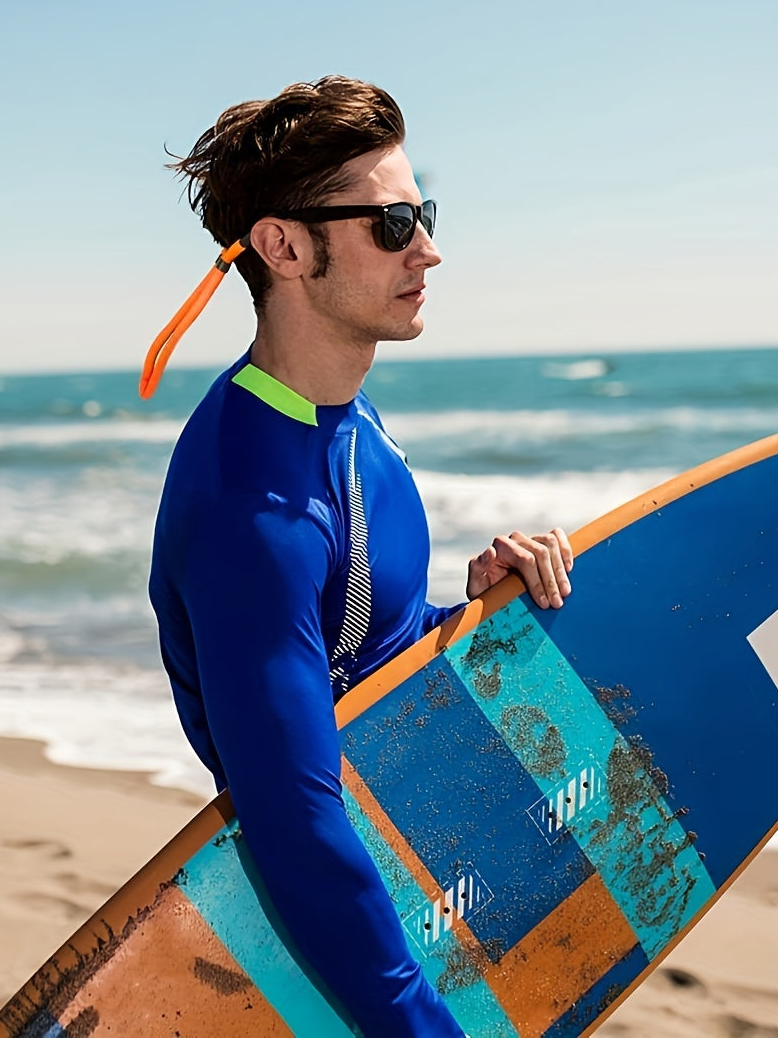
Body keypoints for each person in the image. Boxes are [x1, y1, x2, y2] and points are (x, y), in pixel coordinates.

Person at [146, 76, 573, 1037]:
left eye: (422, 212)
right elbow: (294, 821)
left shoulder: (351, 428)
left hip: (402, 884)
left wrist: (465, 615)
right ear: (285, 247)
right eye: (390, 223)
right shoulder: (247, 509)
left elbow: (358, 656)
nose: (428, 247)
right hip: (334, 955)